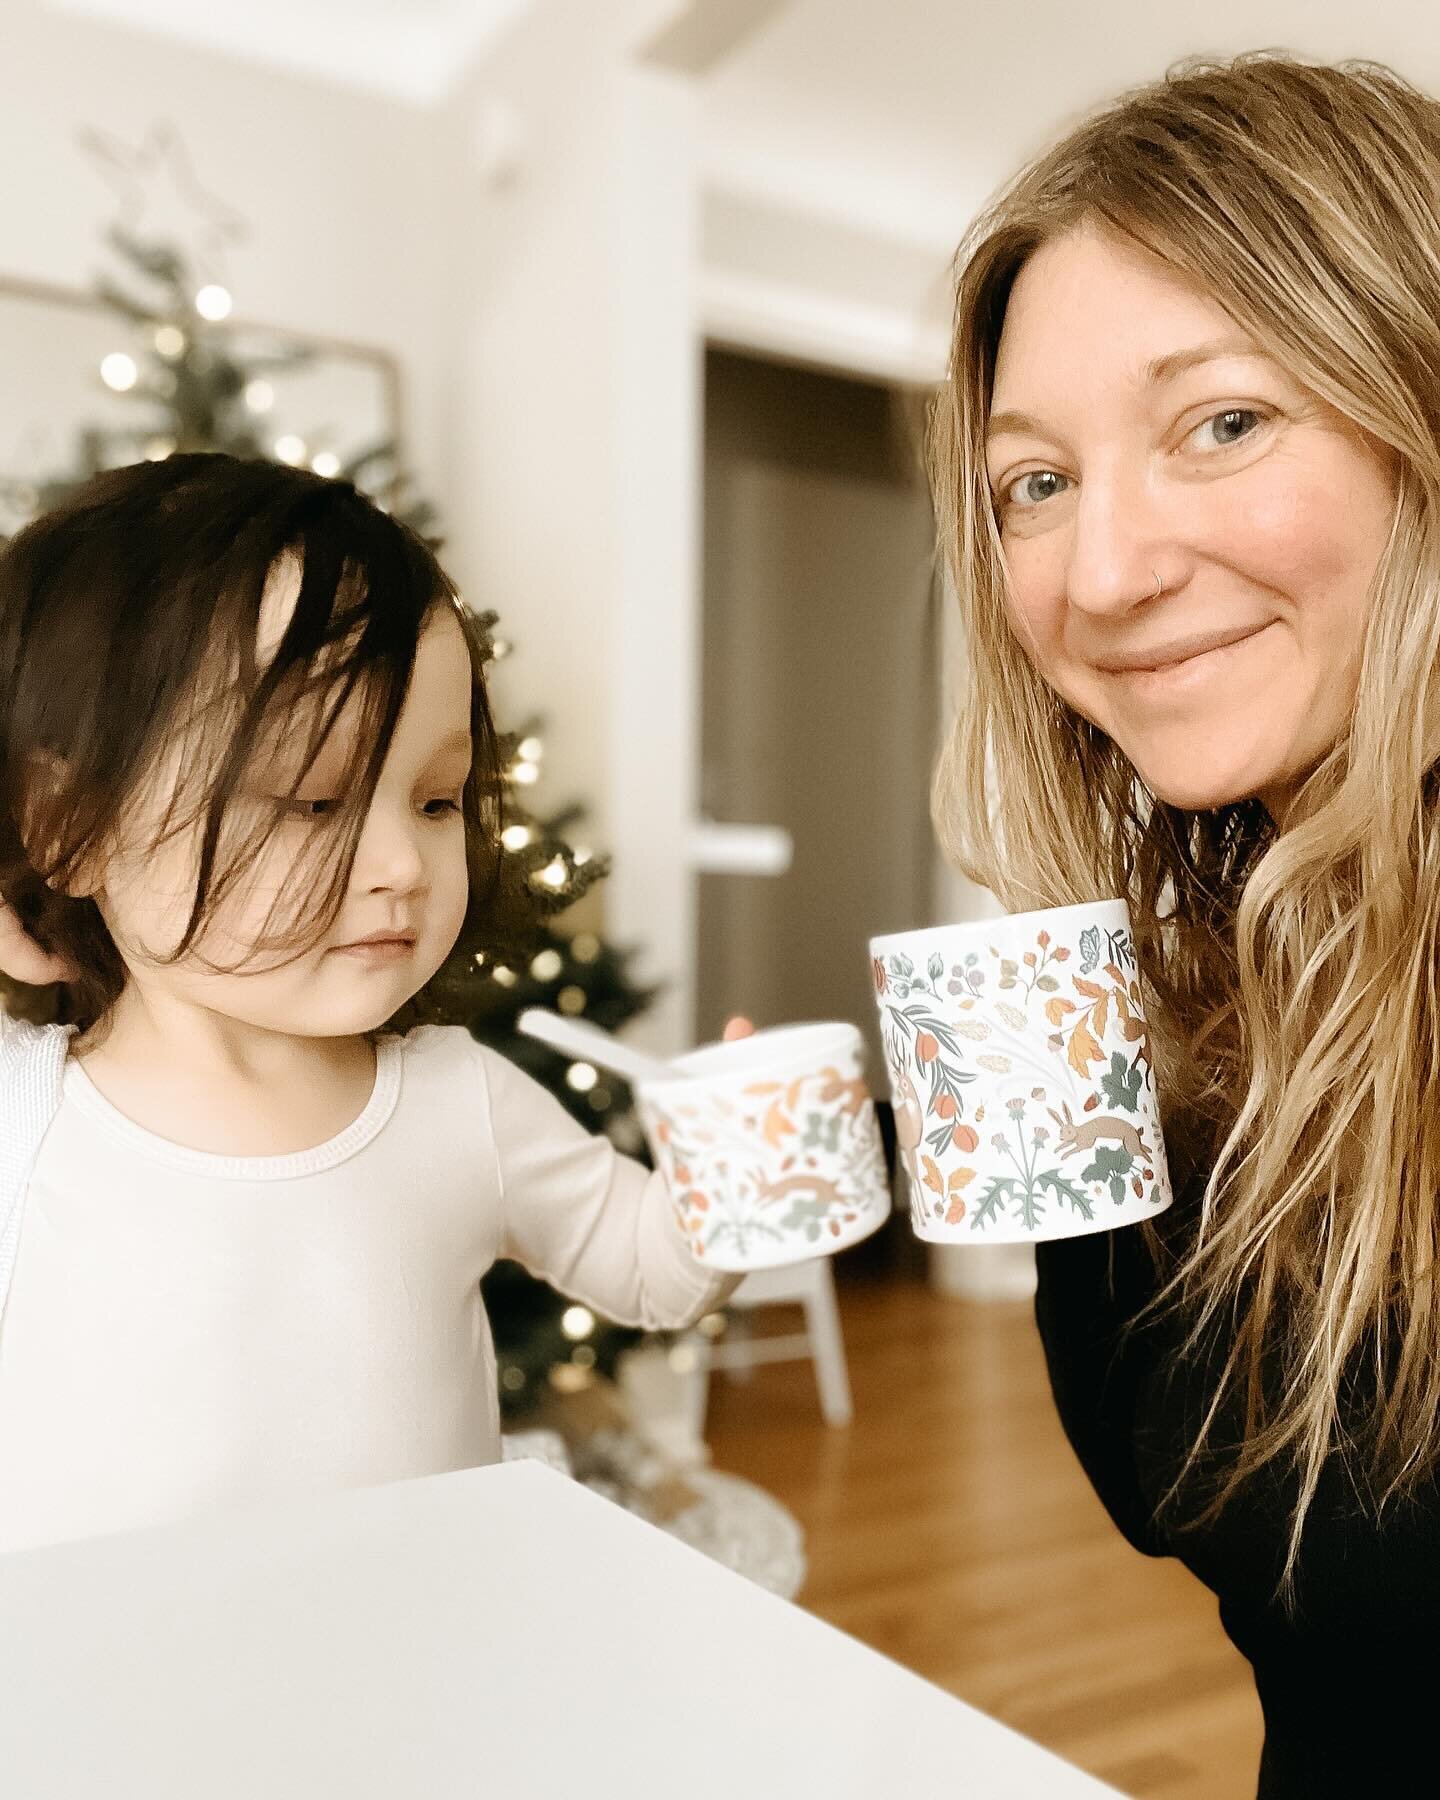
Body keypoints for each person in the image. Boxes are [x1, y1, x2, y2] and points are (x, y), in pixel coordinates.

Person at [914, 50, 1440, 1798]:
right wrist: (1084, 1121)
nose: (1104, 572)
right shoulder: (1245, 967)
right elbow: (1178, 1497)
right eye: (1033, 484)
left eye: (1223, 422)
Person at [0, 453, 739, 1555]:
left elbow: (653, 1271)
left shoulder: (459, 1105)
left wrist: (740, 1162)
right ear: (76, 825)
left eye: (437, 798)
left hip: (413, 1678)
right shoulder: (24, 1112)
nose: (401, 860)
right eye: (311, 799)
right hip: (109, 1700)